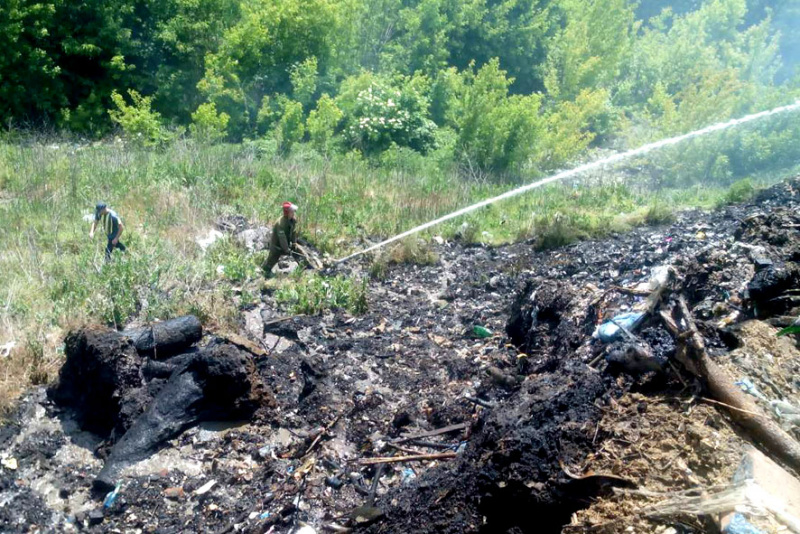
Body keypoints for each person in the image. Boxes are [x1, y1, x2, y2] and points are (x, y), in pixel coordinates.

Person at [262, 202, 297, 277]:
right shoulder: (280, 223)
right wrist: (287, 249)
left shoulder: (293, 220)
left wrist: (294, 243)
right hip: (276, 246)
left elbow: (293, 232)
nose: (293, 213)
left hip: (286, 244)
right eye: (292, 211)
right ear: (287, 212)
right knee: (271, 261)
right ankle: (263, 273)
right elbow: (282, 238)